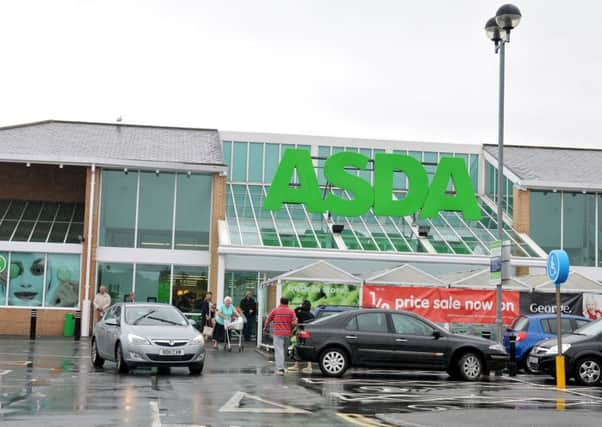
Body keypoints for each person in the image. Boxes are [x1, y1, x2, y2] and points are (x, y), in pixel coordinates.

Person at [264, 297, 297, 375]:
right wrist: (291, 328)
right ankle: (283, 367)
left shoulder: (275, 310)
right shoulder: (291, 311)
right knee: (284, 351)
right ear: (287, 302)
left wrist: (265, 328)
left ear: (280, 302)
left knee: (279, 351)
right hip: (287, 334)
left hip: (278, 333)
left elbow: (268, 320)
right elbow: (295, 322)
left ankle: (280, 369)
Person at [289, 300, 314, 373]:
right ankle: (309, 366)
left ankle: (296, 365)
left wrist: (299, 307)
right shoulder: (311, 315)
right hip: (309, 333)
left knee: (297, 347)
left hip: (300, 332)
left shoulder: (300, 313)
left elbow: (294, 312)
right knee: (308, 348)